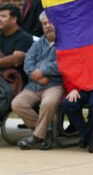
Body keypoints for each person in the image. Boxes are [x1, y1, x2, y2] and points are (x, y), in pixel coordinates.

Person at [11, 12, 63, 150]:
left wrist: (43, 71)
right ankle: (46, 132)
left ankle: (37, 136)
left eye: (50, 22)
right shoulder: (38, 43)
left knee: (48, 103)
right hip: (34, 84)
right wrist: (35, 76)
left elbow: (64, 63)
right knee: (17, 104)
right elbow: (28, 61)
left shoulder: (66, 42)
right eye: (44, 24)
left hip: (55, 84)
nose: (47, 26)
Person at [62, 81, 93, 153]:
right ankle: (88, 134)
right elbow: (69, 74)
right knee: (68, 104)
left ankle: (89, 133)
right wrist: (72, 89)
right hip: (79, 89)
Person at [0, 4, 33, 96]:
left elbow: (16, 60)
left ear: (14, 19)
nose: (0, 19)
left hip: (15, 81)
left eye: (3, 16)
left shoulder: (24, 37)